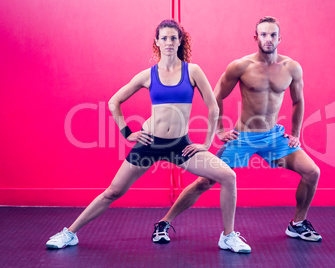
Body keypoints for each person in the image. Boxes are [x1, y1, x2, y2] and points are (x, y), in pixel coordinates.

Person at [45, 19, 251, 254]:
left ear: (180, 41)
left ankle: (227, 236)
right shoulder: (148, 75)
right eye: (164, 38)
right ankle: (69, 233)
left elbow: (213, 107)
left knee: (228, 177)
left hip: (179, 146)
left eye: (173, 37)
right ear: (157, 42)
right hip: (150, 143)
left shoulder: (192, 71)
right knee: (113, 192)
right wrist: (128, 133)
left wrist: (205, 143)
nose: (169, 42)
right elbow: (114, 102)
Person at [155, 16, 322, 243]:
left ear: (280, 38)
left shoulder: (291, 67)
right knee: (205, 181)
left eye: (273, 34)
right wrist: (221, 130)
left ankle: (298, 223)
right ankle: (164, 222)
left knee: (312, 172)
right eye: (263, 34)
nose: (268, 39)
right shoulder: (241, 66)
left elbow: (298, 101)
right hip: (243, 137)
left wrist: (294, 133)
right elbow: (216, 96)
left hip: (274, 137)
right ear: (256, 37)